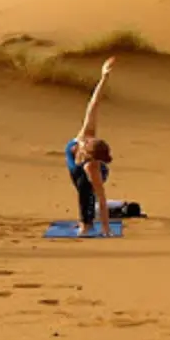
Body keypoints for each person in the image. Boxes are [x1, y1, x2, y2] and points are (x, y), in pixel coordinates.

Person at [66, 56, 116, 236]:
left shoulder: (92, 166)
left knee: (86, 189)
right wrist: (104, 76)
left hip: (91, 172)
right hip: (75, 165)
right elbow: (94, 103)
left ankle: (86, 225)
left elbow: (102, 199)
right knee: (80, 184)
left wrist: (106, 230)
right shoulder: (86, 133)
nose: (88, 140)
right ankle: (85, 219)